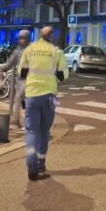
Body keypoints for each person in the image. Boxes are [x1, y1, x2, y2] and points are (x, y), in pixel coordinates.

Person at [19, 26, 68, 181]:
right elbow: (63, 75)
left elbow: (21, 73)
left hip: (32, 94)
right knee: (44, 130)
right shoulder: (56, 52)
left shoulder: (29, 50)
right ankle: (41, 162)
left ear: (39, 35)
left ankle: (30, 163)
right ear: (51, 36)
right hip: (50, 96)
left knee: (32, 130)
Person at [0, 29, 30, 128]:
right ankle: (17, 121)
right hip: (22, 79)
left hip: (31, 79)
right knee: (20, 99)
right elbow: (10, 63)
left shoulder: (32, 50)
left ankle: (25, 122)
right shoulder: (18, 51)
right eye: (20, 38)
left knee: (25, 101)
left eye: (24, 38)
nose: (22, 41)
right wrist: (1, 68)